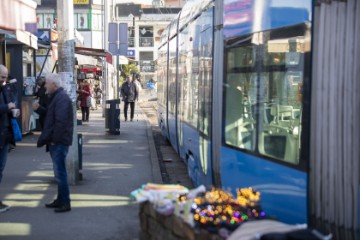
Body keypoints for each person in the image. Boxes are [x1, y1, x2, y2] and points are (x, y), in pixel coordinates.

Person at [34, 73, 73, 213]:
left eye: (47, 83)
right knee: (59, 173)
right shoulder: (57, 97)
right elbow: (54, 118)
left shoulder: (61, 99)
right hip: (57, 141)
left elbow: (60, 122)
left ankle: (65, 202)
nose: (45, 86)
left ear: (54, 85)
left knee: (60, 173)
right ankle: (60, 199)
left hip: (58, 142)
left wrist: (54, 140)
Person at [0, 64, 19, 213]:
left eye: (5, 77)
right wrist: (8, 107)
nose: (4, 80)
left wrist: (13, 111)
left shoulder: (4, 88)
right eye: (2, 77)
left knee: (0, 169)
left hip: (5, 135)